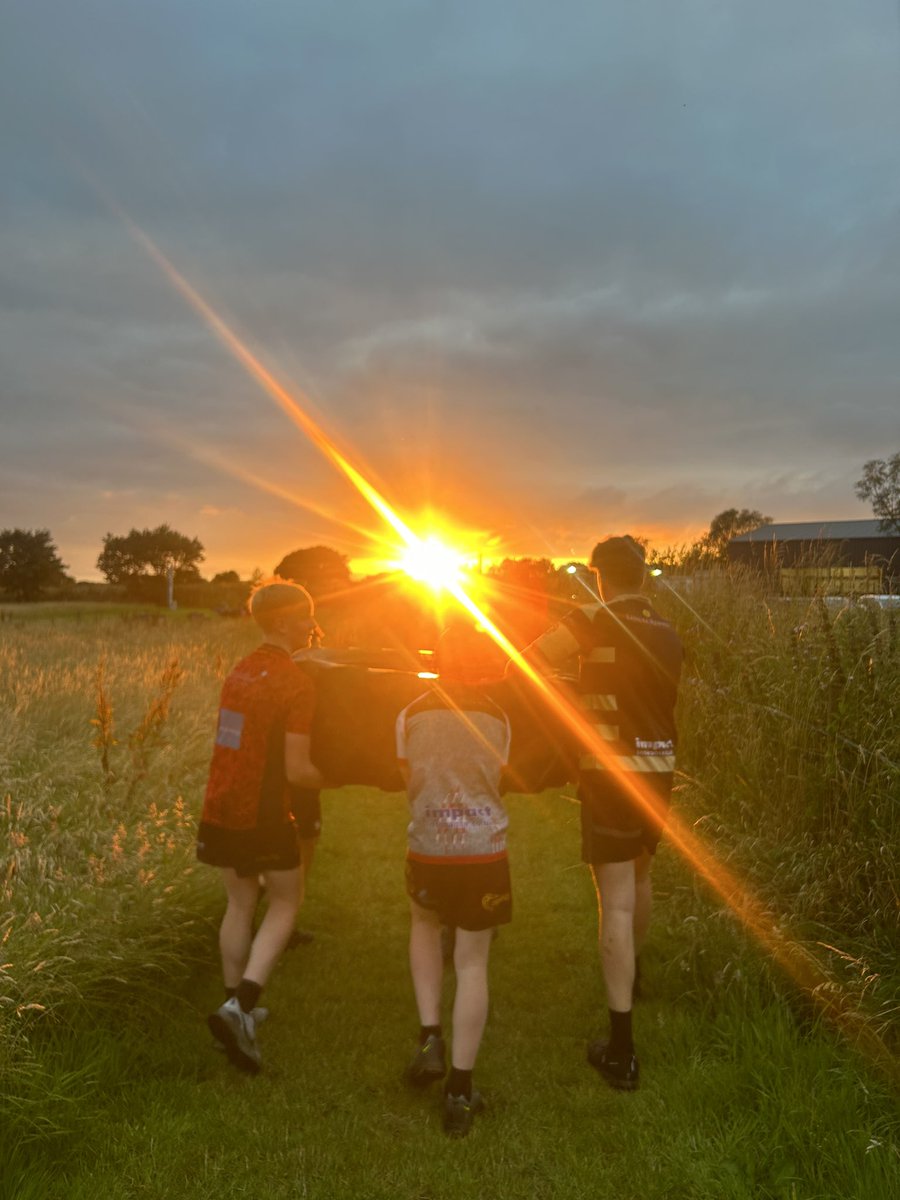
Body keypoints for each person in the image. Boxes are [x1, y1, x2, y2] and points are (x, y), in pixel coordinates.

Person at [521, 536, 682, 1091]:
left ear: (598, 576)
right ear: (642, 574)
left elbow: (527, 663)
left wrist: (571, 693)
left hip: (610, 775)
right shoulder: (668, 631)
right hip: (659, 770)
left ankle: (621, 1051)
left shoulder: (592, 618)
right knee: (641, 876)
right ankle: (632, 978)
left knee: (613, 898)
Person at [197, 578, 325, 1073]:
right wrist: (329, 777)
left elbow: (231, 740)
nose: (312, 624)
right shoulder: (296, 683)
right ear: (284, 623)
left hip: (221, 803)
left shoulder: (239, 672)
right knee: (286, 901)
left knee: (239, 903)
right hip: (265, 813)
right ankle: (242, 1008)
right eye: (305, 615)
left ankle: (233, 1007)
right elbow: (297, 770)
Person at [396, 623, 511, 1138]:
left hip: (429, 847)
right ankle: (460, 1091)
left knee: (424, 926)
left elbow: (408, 780)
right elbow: (499, 777)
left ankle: (430, 1039)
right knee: (472, 961)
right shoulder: (499, 717)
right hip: (484, 853)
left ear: (436, 662)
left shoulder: (410, 714)